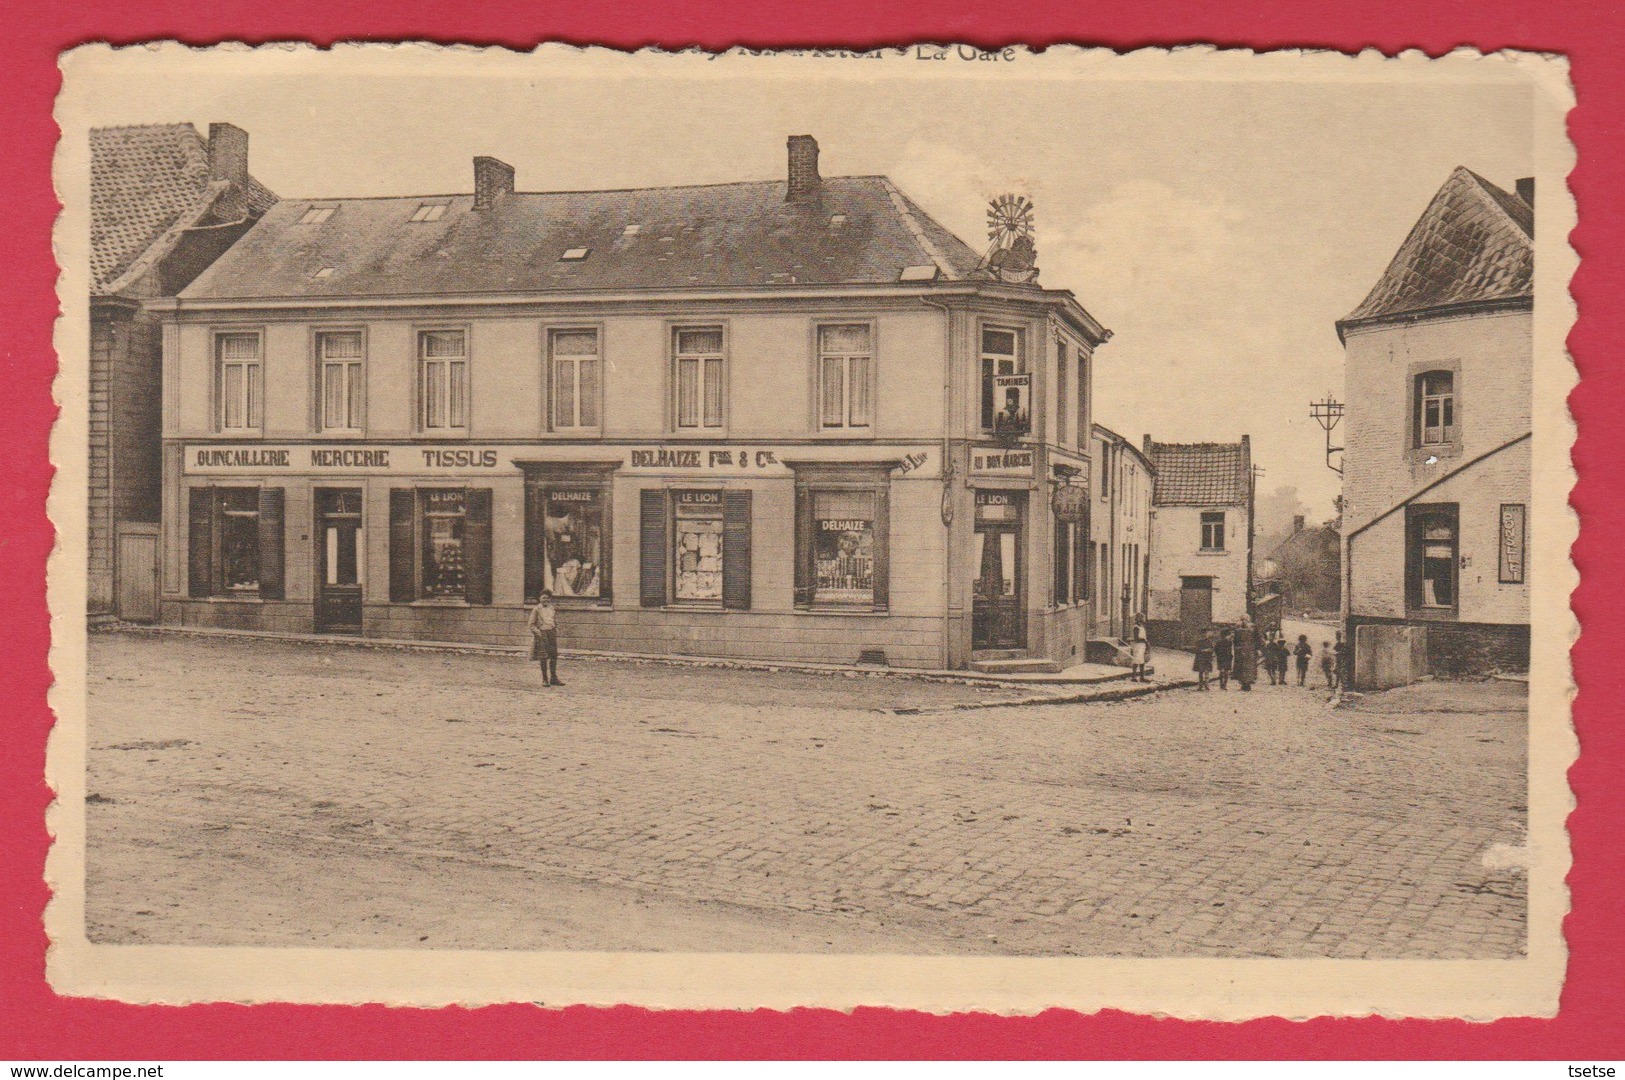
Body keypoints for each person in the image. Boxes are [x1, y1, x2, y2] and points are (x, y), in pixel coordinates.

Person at [527, 590, 563, 687]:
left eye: (547, 598)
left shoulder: (552, 608)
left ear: (550, 599)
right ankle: (545, 679)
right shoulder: (536, 610)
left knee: (554, 655)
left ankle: (554, 678)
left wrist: (555, 629)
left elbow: (554, 621)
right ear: (540, 599)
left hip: (551, 634)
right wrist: (538, 632)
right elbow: (531, 625)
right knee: (543, 656)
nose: (545, 600)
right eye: (543, 598)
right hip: (542, 634)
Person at [1233, 617, 1258, 691]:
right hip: (1242, 650)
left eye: (1246, 620)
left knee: (1248, 667)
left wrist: (1257, 649)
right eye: (1243, 620)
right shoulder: (1238, 630)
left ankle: (1247, 683)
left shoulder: (1253, 629)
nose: (1244, 622)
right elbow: (1235, 641)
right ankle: (1244, 684)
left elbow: (1257, 639)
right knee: (1241, 667)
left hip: (1249, 650)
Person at [1129, 615, 1150, 682]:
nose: (1144, 619)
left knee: (1142, 661)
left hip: (1142, 645)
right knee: (1136, 660)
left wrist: (1145, 643)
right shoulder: (1136, 627)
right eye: (1143, 618)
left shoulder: (1142, 627)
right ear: (1139, 619)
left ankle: (1142, 677)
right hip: (1137, 645)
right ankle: (1133, 677)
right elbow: (1136, 638)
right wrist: (1145, 640)